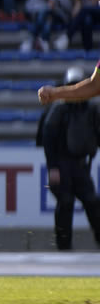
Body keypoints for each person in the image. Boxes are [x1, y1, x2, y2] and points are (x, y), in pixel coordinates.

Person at [36, 67, 100, 251]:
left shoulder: (91, 110)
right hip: (62, 163)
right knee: (65, 202)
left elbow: (97, 133)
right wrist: (52, 167)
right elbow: (48, 139)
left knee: (92, 201)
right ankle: (63, 246)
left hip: (81, 164)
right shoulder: (59, 110)